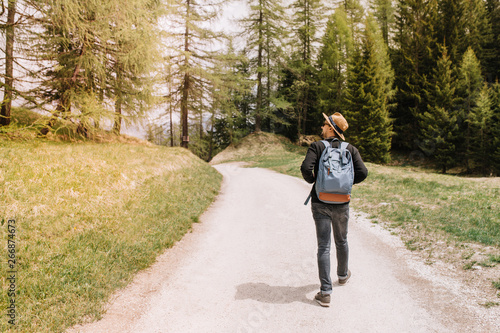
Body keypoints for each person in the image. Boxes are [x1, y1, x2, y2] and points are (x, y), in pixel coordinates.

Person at [300, 112, 368, 307]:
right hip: (342, 202)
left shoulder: (317, 146)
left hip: (320, 201)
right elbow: (363, 172)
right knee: (342, 240)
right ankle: (343, 275)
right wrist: (345, 184)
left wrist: (315, 181)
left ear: (331, 128)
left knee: (324, 246)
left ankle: (326, 292)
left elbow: (306, 168)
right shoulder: (351, 149)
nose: (322, 127)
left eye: (324, 124)